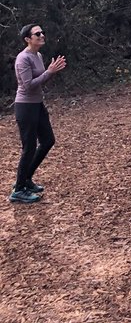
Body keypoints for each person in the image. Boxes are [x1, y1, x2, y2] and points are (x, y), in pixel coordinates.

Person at [10, 23, 66, 204]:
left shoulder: (38, 55)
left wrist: (51, 72)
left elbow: (40, 82)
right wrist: (49, 72)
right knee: (29, 147)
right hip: (25, 106)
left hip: (37, 104)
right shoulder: (22, 58)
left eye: (43, 32)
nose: (42, 35)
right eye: (37, 33)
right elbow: (28, 85)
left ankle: (26, 179)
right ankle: (18, 190)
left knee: (48, 140)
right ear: (28, 39)